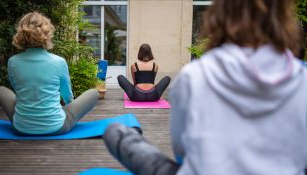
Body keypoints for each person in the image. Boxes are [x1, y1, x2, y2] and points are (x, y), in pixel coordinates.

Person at [103, 0, 307, 175]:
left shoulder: (194, 76)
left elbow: (181, 152)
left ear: (219, 15)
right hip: (154, 93)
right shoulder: (303, 79)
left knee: (115, 133)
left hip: (142, 97)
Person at [0, 12, 99, 135]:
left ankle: (28, 118)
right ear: (47, 34)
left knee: (0, 90)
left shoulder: (13, 62)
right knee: (94, 93)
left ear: (20, 34)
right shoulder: (58, 62)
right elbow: (67, 97)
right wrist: (65, 111)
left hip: (21, 128)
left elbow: (18, 91)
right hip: (57, 127)